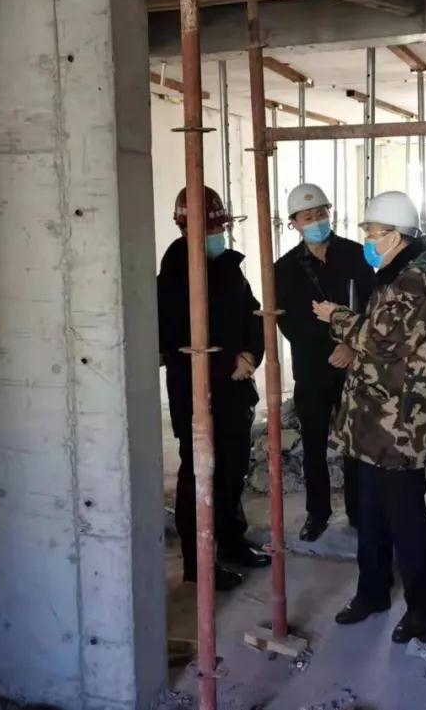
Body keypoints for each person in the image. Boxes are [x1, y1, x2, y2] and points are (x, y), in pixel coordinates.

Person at [314, 191, 426, 644]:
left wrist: (337, 317)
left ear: (396, 236)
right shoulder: (397, 273)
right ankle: (373, 592)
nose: (368, 241)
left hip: (401, 421)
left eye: (373, 234)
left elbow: (382, 342)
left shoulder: (417, 280)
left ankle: (424, 602)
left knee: (405, 515)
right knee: (372, 511)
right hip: (375, 416)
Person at [158, 185, 271, 592]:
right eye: (211, 230)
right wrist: (227, 366)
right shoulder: (172, 279)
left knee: (232, 471)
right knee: (199, 476)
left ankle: (232, 542)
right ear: (185, 229)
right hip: (197, 395)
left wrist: (250, 356)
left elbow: (254, 315)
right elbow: (173, 342)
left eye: (220, 228)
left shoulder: (228, 267)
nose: (218, 236)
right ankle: (199, 562)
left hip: (236, 392)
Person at [275, 183, 375, 542]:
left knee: (355, 443)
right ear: (294, 223)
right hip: (312, 369)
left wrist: (350, 345)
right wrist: (327, 348)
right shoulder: (284, 269)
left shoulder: (356, 255)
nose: (317, 220)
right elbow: (288, 323)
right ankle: (317, 513)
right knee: (314, 445)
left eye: (321, 213)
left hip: (354, 365)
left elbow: (373, 304)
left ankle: (358, 511)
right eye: (308, 216)